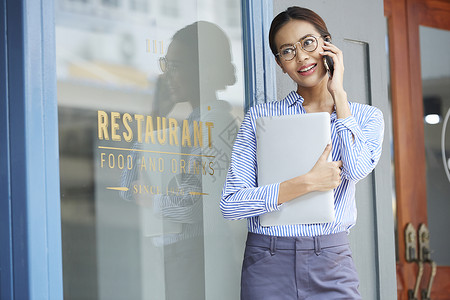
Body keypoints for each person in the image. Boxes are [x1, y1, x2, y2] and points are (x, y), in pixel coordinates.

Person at [220, 6, 384, 299]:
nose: (301, 57)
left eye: (308, 43)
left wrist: (340, 98)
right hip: (267, 260)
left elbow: (357, 169)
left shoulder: (367, 117)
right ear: (280, 63)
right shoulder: (262, 118)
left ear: (327, 45)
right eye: (287, 51)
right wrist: (307, 183)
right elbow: (231, 204)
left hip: (331, 261)